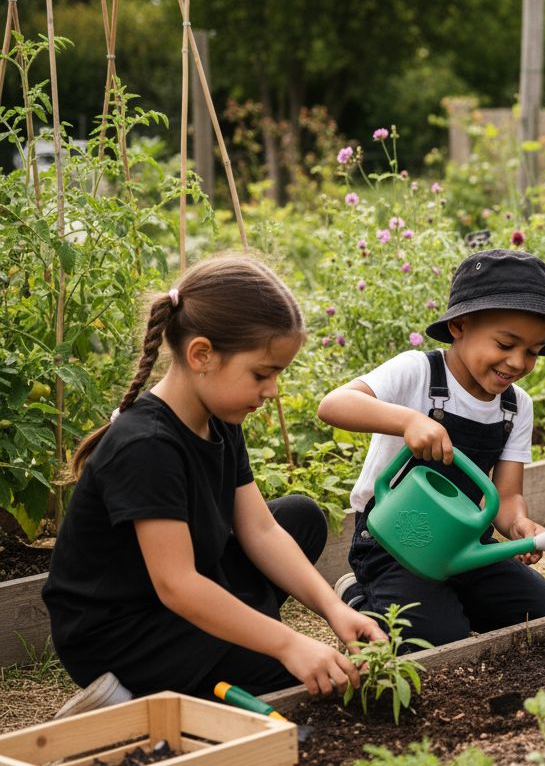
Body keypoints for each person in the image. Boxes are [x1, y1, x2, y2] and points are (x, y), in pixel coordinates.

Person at [43, 256, 386, 719]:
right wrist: (288, 644)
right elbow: (178, 586)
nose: (272, 391)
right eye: (262, 374)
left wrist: (332, 608)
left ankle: (232, 638)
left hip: (176, 594)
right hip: (123, 634)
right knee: (293, 679)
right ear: (201, 355)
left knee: (299, 518)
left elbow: (261, 531)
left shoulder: (218, 419)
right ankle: (126, 695)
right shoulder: (146, 446)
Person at [319, 249, 545, 647]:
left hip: (465, 544)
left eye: (533, 352)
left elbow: (507, 496)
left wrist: (520, 526)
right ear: (458, 325)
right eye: (506, 343)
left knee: (544, 615)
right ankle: (357, 594)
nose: (518, 361)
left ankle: (441, 600)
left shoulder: (515, 406)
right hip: (395, 540)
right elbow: (333, 405)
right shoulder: (418, 373)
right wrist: (408, 420)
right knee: (433, 639)